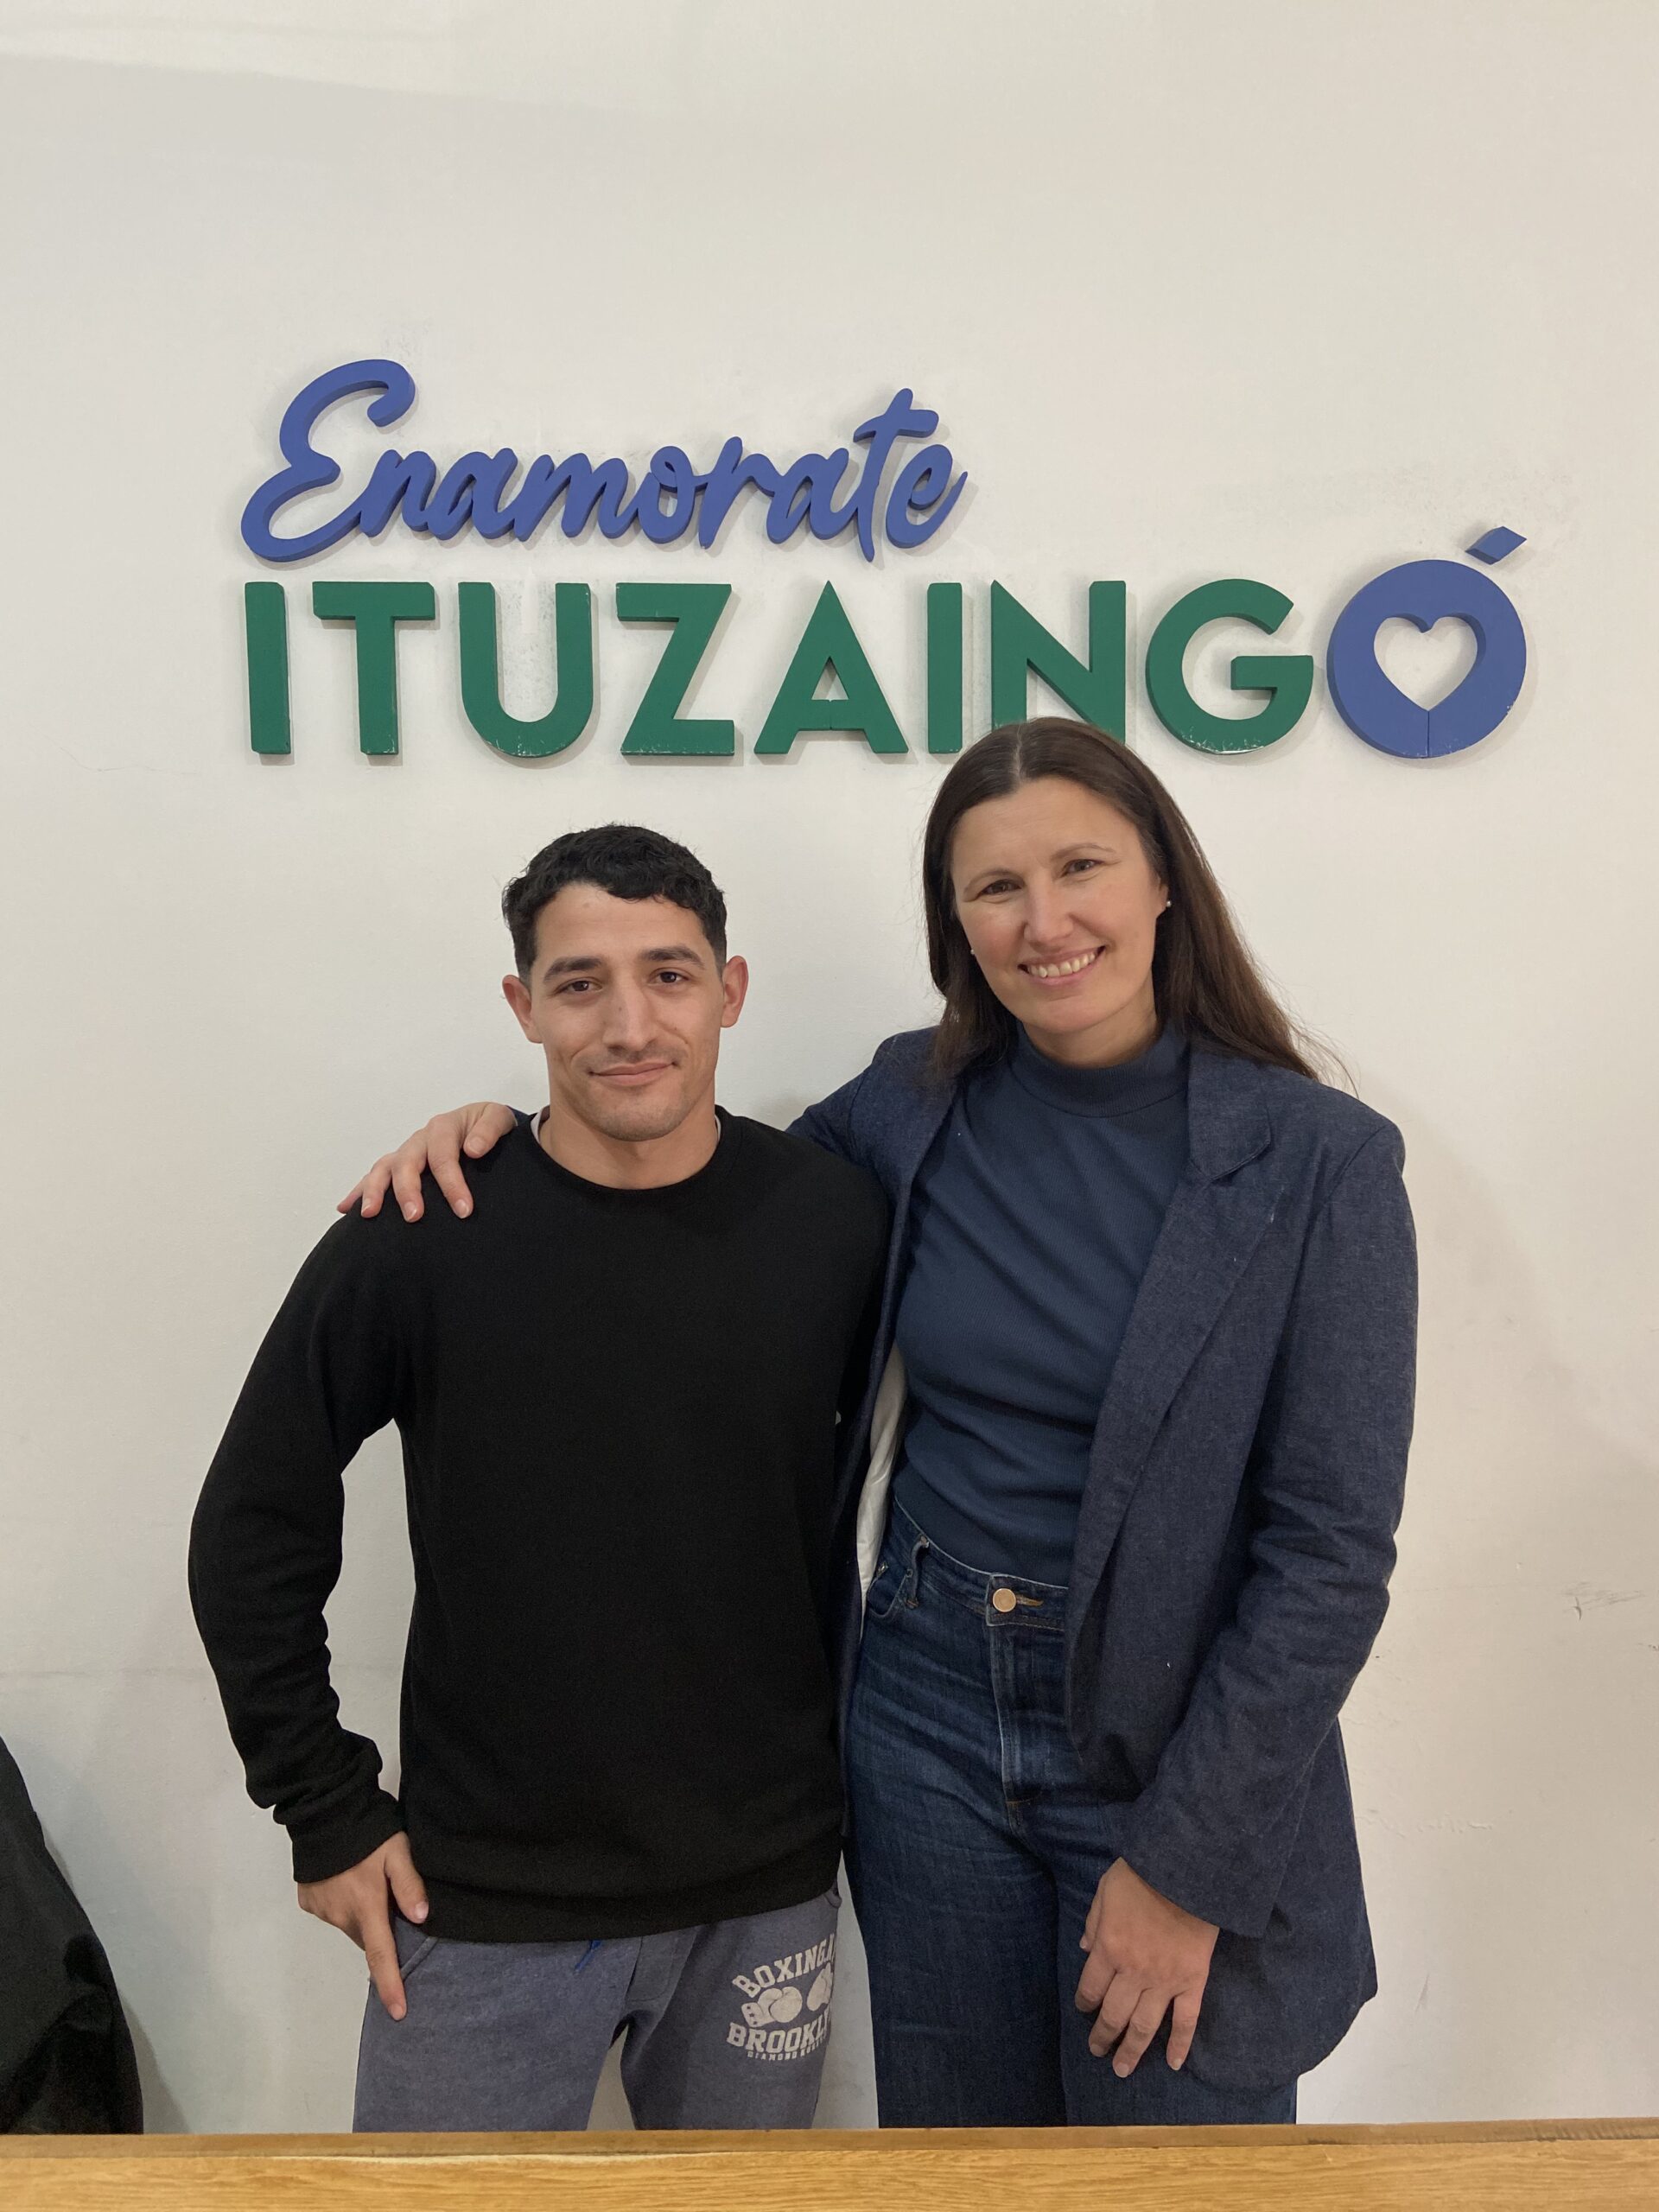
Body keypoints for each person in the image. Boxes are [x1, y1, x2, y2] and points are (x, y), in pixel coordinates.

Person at [346, 717, 1419, 2128]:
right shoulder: (910, 1107)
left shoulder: (1320, 1162)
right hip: (923, 1716)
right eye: (996, 888)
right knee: (958, 2161)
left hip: (1168, 1740)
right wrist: (502, 1133)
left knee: (1174, 2166)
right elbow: (690, 1185)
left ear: (1165, 879)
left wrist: (1190, 1867)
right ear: (955, 923)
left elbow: (1330, 1554)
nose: (1045, 924)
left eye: (1081, 868)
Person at [189, 826, 887, 2133]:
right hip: (485, 1900)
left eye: (670, 975)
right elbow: (252, 1523)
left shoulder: (835, 1223)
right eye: (580, 984)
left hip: (765, 1891)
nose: (630, 1024)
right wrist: (323, 1808)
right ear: (522, 1006)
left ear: (731, 991)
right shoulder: (422, 1231)